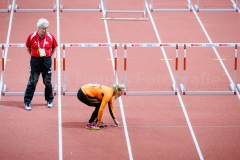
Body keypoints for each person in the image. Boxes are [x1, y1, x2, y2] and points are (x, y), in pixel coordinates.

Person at [24, 18, 58, 111]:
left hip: (46, 60)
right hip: (35, 61)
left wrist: (48, 56)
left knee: (47, 82)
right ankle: (27, 101)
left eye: (47, 28)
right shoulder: (31, 36)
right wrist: (35, 55)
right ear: (38, 28)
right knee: (32, 81)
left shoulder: (51, 36)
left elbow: (54, 48)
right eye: (44, 28)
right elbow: (28, 48)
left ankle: (49, 100)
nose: (46, 30)